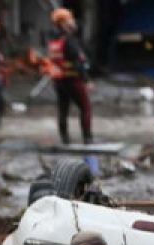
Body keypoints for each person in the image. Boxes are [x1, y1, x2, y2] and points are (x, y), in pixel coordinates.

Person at [48, 8, 93, 145]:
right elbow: (77, 62)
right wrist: (86, 80)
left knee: (63, 109)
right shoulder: (69, 41)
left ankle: (64, 139)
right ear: (63, 23)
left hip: (59, 81)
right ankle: (87, 138)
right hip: (73, 79)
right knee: (85, 107)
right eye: (70, 20)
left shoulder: (54, 41)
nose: (73, 22)